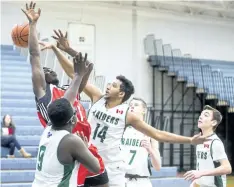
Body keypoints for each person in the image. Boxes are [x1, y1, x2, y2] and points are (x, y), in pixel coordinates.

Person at [42, 30, 208, 187]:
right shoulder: (97, 97)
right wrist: (60, 50)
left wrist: (190, 140)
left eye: (113, 85)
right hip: (88, 159)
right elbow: (75, 75)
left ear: (121, 94)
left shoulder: (127, 115)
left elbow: (157, 134)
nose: (108, 86)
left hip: (111, 167)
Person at [22, 2, 108, 186]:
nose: (49, 69)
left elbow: (87, 68)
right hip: (70, 151)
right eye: (45, 70)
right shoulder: (45, 97)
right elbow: (35, 56)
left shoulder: (67, 91)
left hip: (86, 146)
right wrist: (32, 26)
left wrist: (67, 49)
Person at [184, 105, 232, 187]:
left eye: (205, 115)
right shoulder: (199, 141)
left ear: (213, 122)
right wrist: (195, 182)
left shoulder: (215, 142)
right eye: (201, 114)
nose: (201, 117)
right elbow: (203, 167)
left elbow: (227, 168)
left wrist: (200, 173)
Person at [122, 98, 161, 187]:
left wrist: (150, 150)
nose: (132, 106)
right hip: (120, 179)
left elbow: (157, 167)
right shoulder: (120, 129)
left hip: (141, 181)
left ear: (144, 110)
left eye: (136, 105)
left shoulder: (151, 133)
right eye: (130, 105)